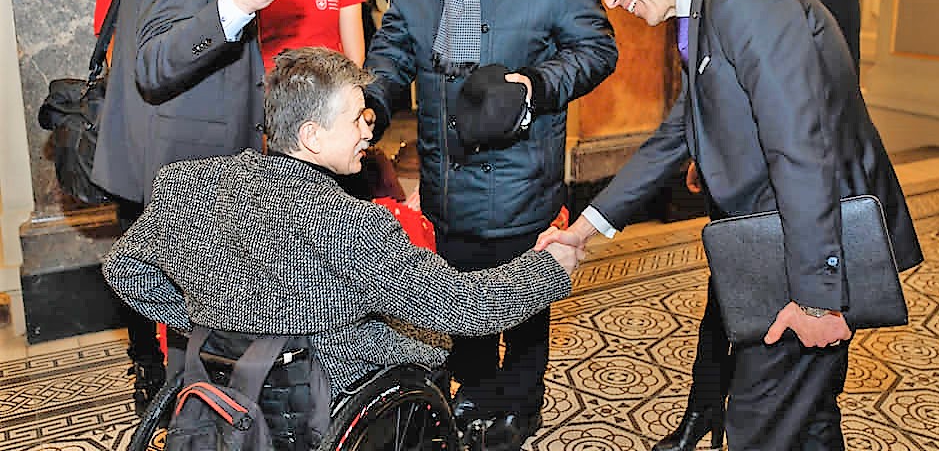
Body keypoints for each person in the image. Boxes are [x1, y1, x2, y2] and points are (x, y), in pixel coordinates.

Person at [535, 0, 922, 451]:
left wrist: (818, 298)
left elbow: (802, 147)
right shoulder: (711, 5)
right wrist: (583, 231)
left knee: (756, 425)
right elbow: (674, 138)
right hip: (779, 245)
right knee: (809, 423)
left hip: (810, 258)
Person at [102, 46, 581, 409]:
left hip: (221, 375)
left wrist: (203, 320)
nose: (369, 130)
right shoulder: (348, 222)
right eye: (356, 119)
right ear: (311, 135)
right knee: (434, 340)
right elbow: (465, 307)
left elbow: (122, 270)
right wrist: (548, 268)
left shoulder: (186, 183)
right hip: (321, 385)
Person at [363, 0, 618, 451]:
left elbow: (597, 49)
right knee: (457, 297)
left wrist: (535, 85)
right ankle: (475, 391)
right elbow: (393, 51)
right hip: (445, 178)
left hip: (522, 173)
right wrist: (370, 103)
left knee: (524, 301)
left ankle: (521, 403)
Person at [92, 0, 304, 413]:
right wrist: (237, 3)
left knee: (207, 334)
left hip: (205, 170)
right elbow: (155, 62)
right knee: (199, 338)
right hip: (190, 175)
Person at [665, 0, 865, 451]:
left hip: (796, 186)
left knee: (801, 352)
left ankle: (797, 418)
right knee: (726, 304)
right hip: (737, 182)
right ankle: (703, 409)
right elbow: (703, 83)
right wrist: (701, 149)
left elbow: (833, 93)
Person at [89, 0, 189, 413]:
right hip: (137, 144)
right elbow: (125, 69)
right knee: (139, 259)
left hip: (186, 144)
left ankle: (190, 365)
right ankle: (147, 365)